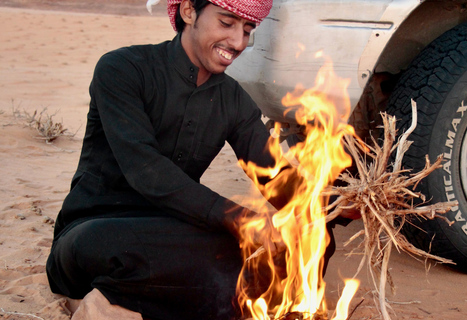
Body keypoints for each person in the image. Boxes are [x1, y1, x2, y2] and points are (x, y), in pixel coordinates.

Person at [46, 0, 358, 319]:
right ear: (188, 11)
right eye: (226, 23)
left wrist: (336, 204)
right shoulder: (122, 68)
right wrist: (244, 220)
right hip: (96, 231)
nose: (238, 43)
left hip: (178, 232)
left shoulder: (234, 99)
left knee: (308, 239)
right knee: (122, 245)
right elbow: (147, 171)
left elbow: (277, 179)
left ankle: (150, 299)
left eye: (247, 30)